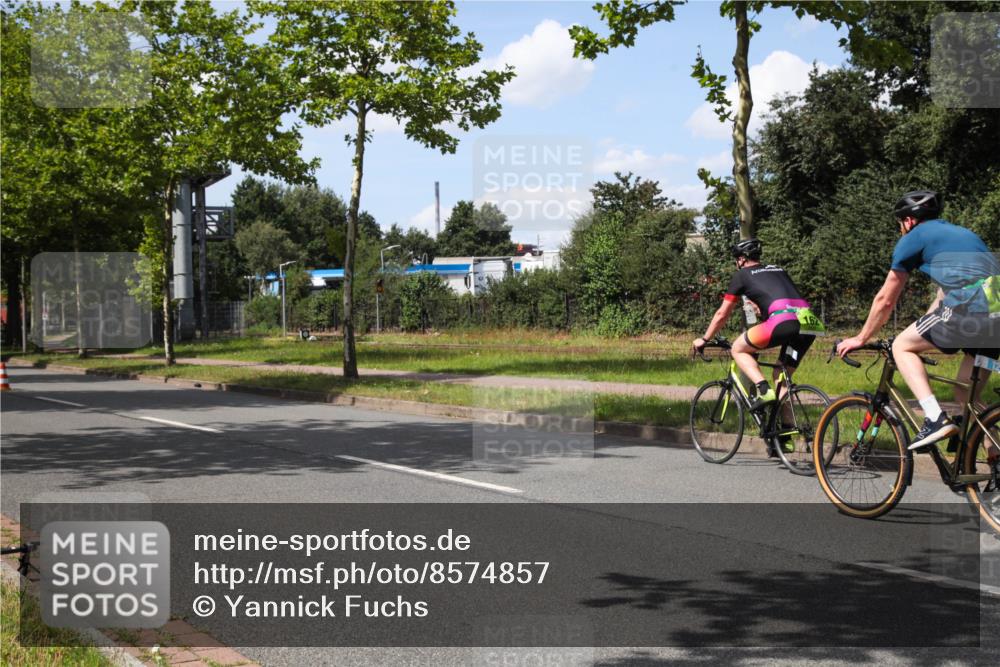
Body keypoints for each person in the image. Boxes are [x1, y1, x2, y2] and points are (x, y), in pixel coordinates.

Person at [837, 190, 1000, 451]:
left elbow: (885, 300)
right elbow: (944, 295)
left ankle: (934, 418)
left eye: (900, 222)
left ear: (909, 221)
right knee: (966, 396)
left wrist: (861, 337)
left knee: (901, 345)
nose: (901, 229)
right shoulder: (963, 234)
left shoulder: (914, 238)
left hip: (971, 308)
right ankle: (996, 459)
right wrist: (923, 325)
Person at [693, 239, 824, 424]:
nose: (736, 263)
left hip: (783, 321)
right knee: (781, 376)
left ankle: (763, 390)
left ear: (742, 259)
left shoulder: (742, 275)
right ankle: (785, 436)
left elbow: (722, 313)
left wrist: (705, 339)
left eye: (736, 259)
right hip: (808, 323)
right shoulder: (778, 269)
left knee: (738, 348)